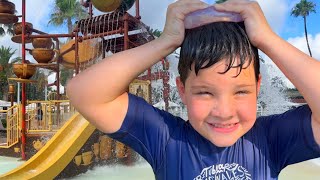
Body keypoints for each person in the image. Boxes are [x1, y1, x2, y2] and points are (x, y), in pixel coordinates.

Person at [66, 0, 320, 179]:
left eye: (241, 91)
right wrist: (166, 42)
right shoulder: (166, 138)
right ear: (182, 90)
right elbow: (84, 92)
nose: (224, 111)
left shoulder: (271, 139)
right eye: (204, 92)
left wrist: (267, 38)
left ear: (257, 87)